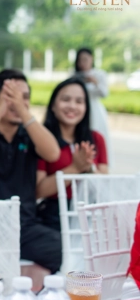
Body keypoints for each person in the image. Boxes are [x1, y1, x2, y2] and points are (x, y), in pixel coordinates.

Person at [0, 69, 62, 274]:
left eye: (25, 97)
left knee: (64, 249)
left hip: (24, 227)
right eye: (11, 96)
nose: (18, 102)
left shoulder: (29, 133)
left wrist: (23, 111)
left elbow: (53, 154)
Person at [36, 78, 108, 231]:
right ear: (53, 105)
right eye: (66, 99)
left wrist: (89, 168)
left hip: (91, 214)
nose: (72, 106)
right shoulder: (43, 140)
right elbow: (39, 190)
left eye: (79, 101)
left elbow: (106, 183)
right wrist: (74, 168)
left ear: (86, 107)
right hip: (54, 217)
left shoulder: (96, 139)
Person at [73, 48, 111, 164]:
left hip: (95, 111)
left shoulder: (99, 74)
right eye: (80, 60)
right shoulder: (75, 75)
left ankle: (98, 162)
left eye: (86, 59)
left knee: (97, 136)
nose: (83, 63)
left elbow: (105, 93)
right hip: (78, 110)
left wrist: (95, 82)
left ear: (91, 59)